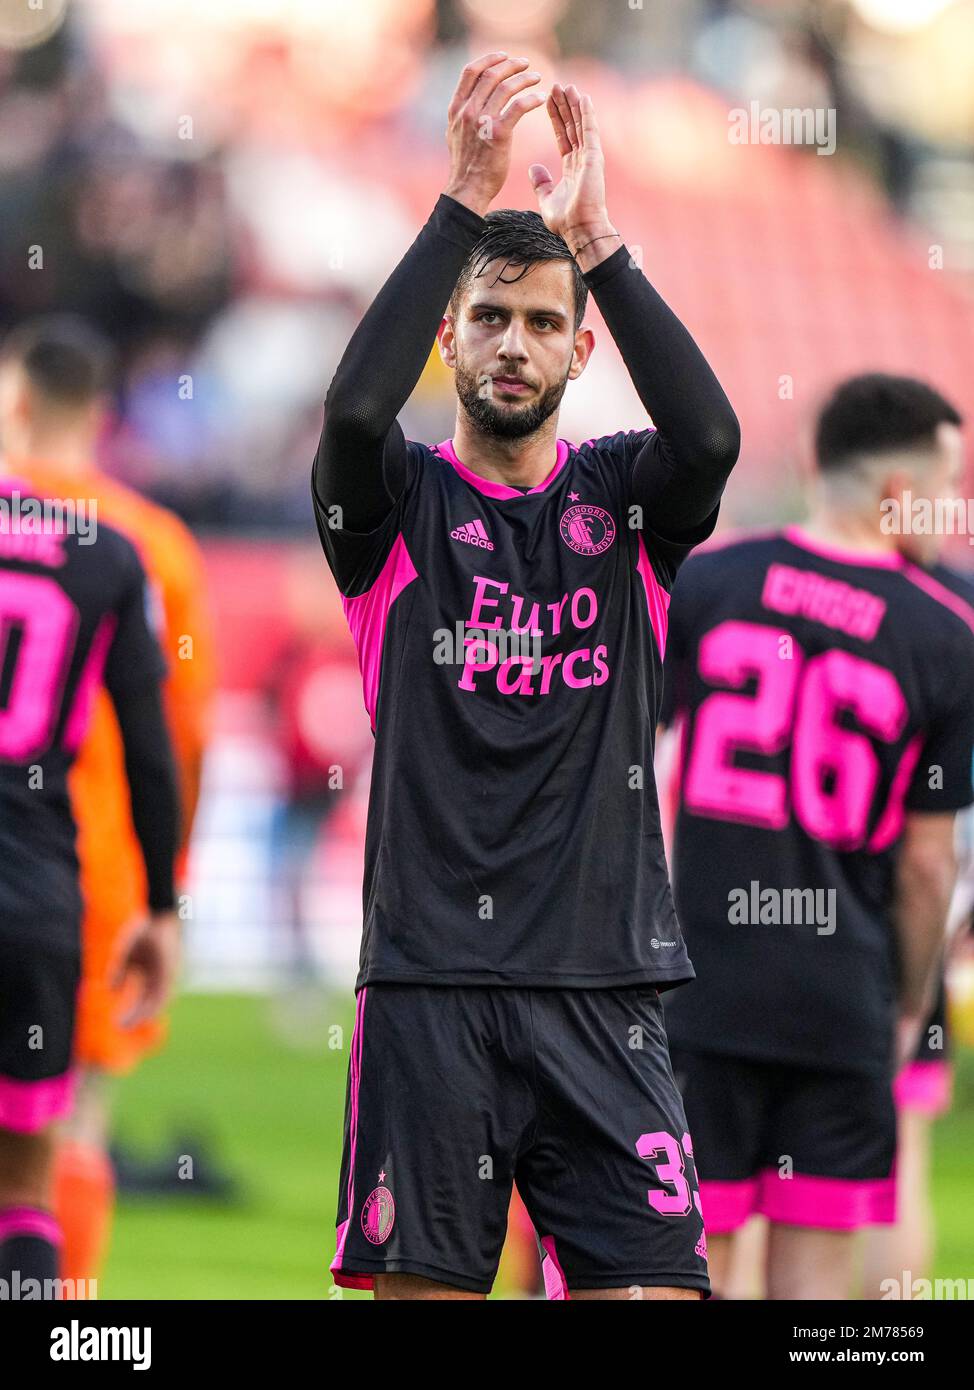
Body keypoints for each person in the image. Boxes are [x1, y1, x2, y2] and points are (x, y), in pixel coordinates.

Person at [313, 52, 739, 1301]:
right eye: (490, 317)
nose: (514, 344)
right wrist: (458, 202)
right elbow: (352, 415)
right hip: (430, 985)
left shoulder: (621, 500)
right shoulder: (394, 507)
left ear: (580, 347)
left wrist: (598, 241)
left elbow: (709, 436)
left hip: (606, 985)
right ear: (447, 336)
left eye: (544, 323)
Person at [659, 373, 974, 1299]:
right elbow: (927, 865)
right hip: (843, 996)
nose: (952, 511)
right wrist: (910, 1004)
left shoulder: (709, 579)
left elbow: (635, 770)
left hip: (701, 984)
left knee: (693, 1259)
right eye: (945, 490)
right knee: (817, 1287)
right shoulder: (948, 634)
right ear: (895, 492)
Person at [0, 316, 214, 1286]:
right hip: (85, 879)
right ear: (101, 413)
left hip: (50, 852)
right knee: (67, 1127)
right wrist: (169, 890)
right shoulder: (150, 544)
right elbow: (182, 736)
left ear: (17, 401)